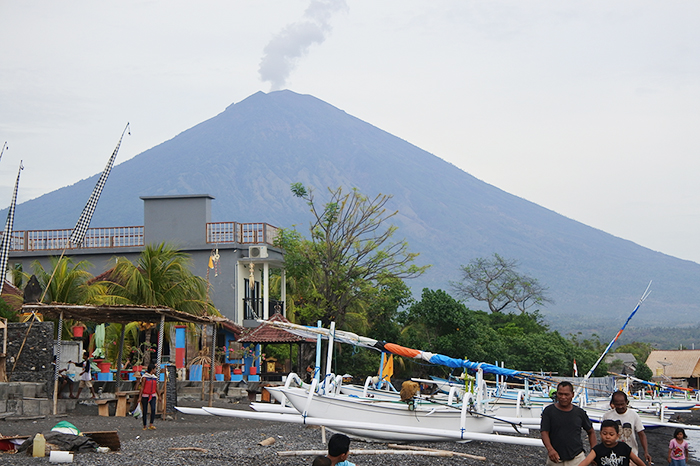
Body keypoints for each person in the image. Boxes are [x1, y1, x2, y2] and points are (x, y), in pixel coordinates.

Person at [541, 381, 596, 466]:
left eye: (566, 394)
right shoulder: (549, 411)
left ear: (572, 395)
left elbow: (591, 431)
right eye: (560, 394)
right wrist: (550, 449)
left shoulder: (579, 413)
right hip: (555, 459)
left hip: (576, 458)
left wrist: (593, 452)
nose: (563, 397)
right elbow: (544, 432)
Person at [602, 390, 652, 464]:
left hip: (631, 454)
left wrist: (646, 452)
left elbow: (641, 434)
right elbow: (603, 434)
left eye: (622, 404)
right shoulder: (607, 416)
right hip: (612, 455)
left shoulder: (634, 415)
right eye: (617, 404)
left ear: (627, 402)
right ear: (613, 404)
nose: (620, 407)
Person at [579, 419, 646, 466]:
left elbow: (637, 460)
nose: (607, 437)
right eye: (604, 434)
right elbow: (586, 461)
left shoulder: (623, 447)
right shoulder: (597, 449)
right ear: (600, 434)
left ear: (617, 436)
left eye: (611, 434)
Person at [139, 363, 159, 430]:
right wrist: (140, 397)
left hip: (153, 395)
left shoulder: (154, 378)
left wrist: (159, 395)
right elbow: (142, 387)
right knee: (145, 410)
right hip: (145, 395)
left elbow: (156, 387)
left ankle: (151, 424)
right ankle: (144, 425)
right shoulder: (145, 377)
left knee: (153, 409)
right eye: (155, 369)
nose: (155, 370)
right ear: (152, 369)